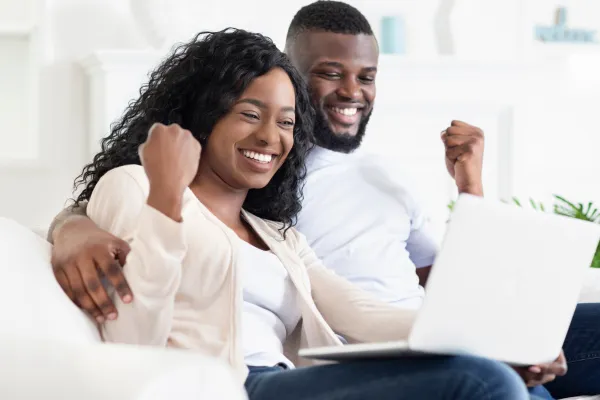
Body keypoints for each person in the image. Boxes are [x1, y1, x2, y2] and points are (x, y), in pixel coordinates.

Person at [46, 1, 597, 399]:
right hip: (232, 385)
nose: (271, 137)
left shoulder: (277, 233)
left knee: (490, 367)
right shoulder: (136, 187)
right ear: (205, 112)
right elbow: (130, 340)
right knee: (485, 382)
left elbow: (363, 313)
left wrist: (495, 337)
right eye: (249, 114)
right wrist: (162, 200)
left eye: (285, 122)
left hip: (292, 379)